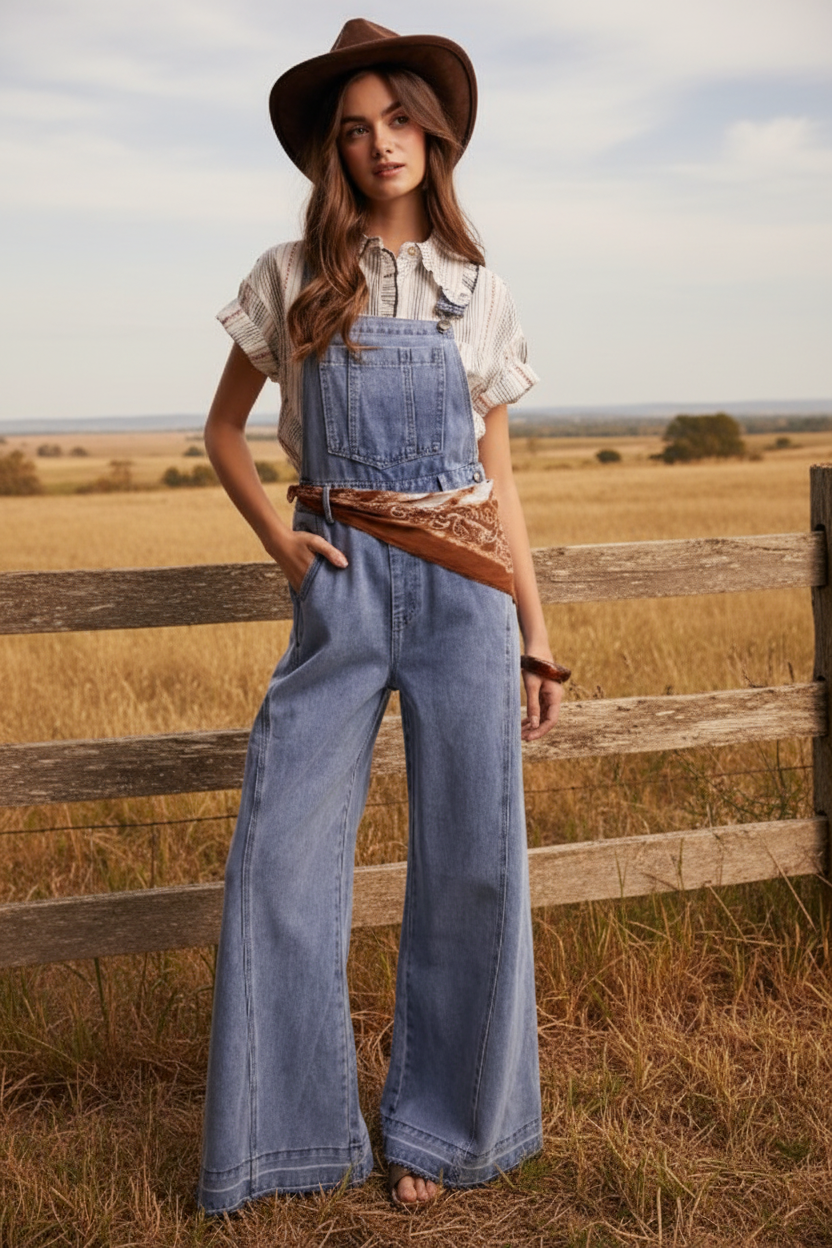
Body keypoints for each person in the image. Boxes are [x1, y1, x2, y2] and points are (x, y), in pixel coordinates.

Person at [196, 18, 567, 1213]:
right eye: (355, 129)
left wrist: (534, 632)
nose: (380, 143)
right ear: (332, 150)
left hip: (465, 593)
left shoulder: (480, 289)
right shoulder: (290, 273)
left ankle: (442, 1132)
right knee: (281, 865)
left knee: (472, 865)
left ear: (433, 129)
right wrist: (282, 543)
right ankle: (288, 1139)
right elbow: (219, 431)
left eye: (398, 119)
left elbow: (498, 479)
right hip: (341, 586)